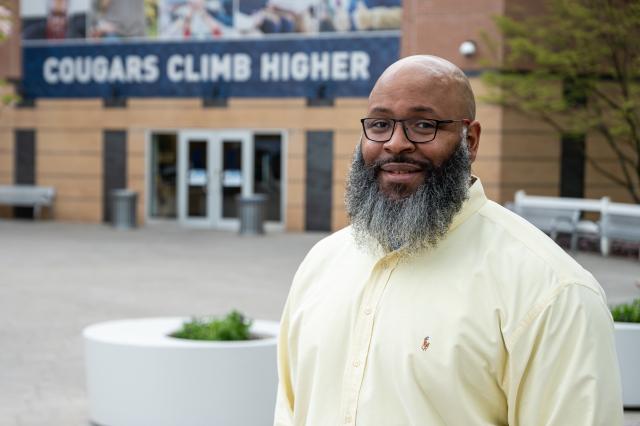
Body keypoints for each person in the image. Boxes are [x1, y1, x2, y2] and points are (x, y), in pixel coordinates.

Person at [274, 55, 623, 425]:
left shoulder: (551, 289)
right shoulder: (322, 263)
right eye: (380, 124)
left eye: (423, 125)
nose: (396, 143)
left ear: (469, 141)